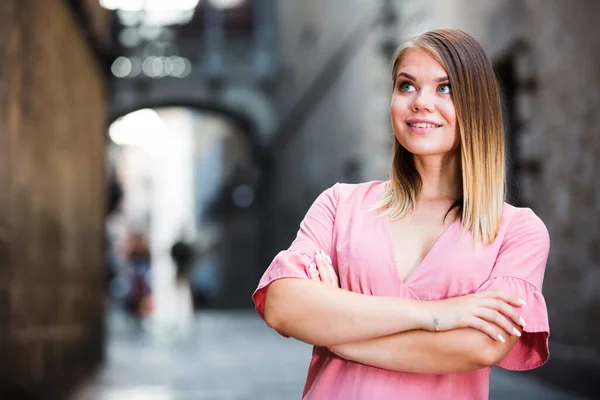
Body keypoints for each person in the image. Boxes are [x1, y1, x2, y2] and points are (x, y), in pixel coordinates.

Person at [252, 28, 550, 400]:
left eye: (445, 88)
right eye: (406, 85)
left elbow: (481, 346)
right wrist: (440, 315)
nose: (420, 102)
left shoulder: (518, 231)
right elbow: (283, 306)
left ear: (478, 105)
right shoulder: (340, 205)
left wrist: (341, 338)